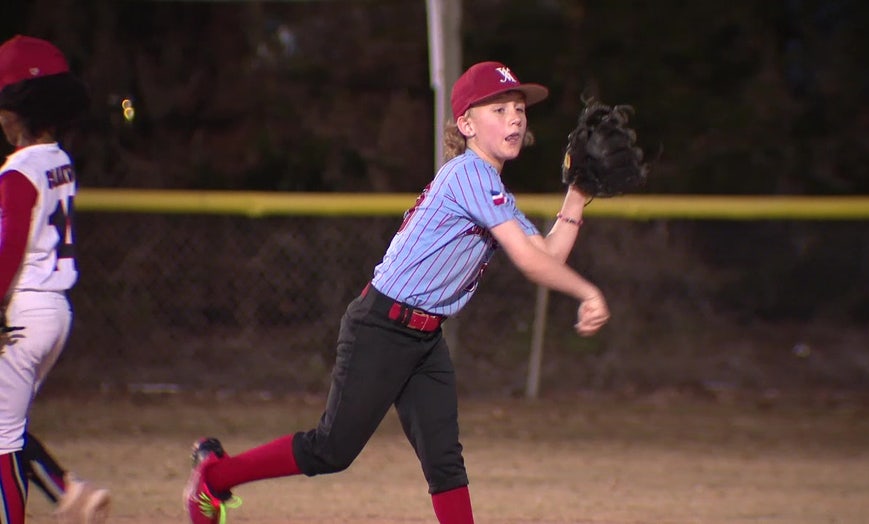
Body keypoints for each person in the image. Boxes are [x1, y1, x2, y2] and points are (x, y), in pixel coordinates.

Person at [183, 60, 610, 524]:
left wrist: (576, 196)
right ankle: (214, 476)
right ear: (466, 124)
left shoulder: (493, 192)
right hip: (380, 328)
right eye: (499, 108)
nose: (514, 117)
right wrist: (588, 292)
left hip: (425, 339)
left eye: (518, 108)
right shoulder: (469, 175)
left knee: (445, 462)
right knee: (331, 450)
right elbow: (531, 263)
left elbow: (546, 253)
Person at [0, 34, 110, 524]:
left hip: (21, 312)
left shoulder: (19, 172)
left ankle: (64, 492)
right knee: (7, 427)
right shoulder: (59, 162)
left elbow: (10, 247)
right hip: (55, 312)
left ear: (15, 110)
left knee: (2, 439)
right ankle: (69, 490)